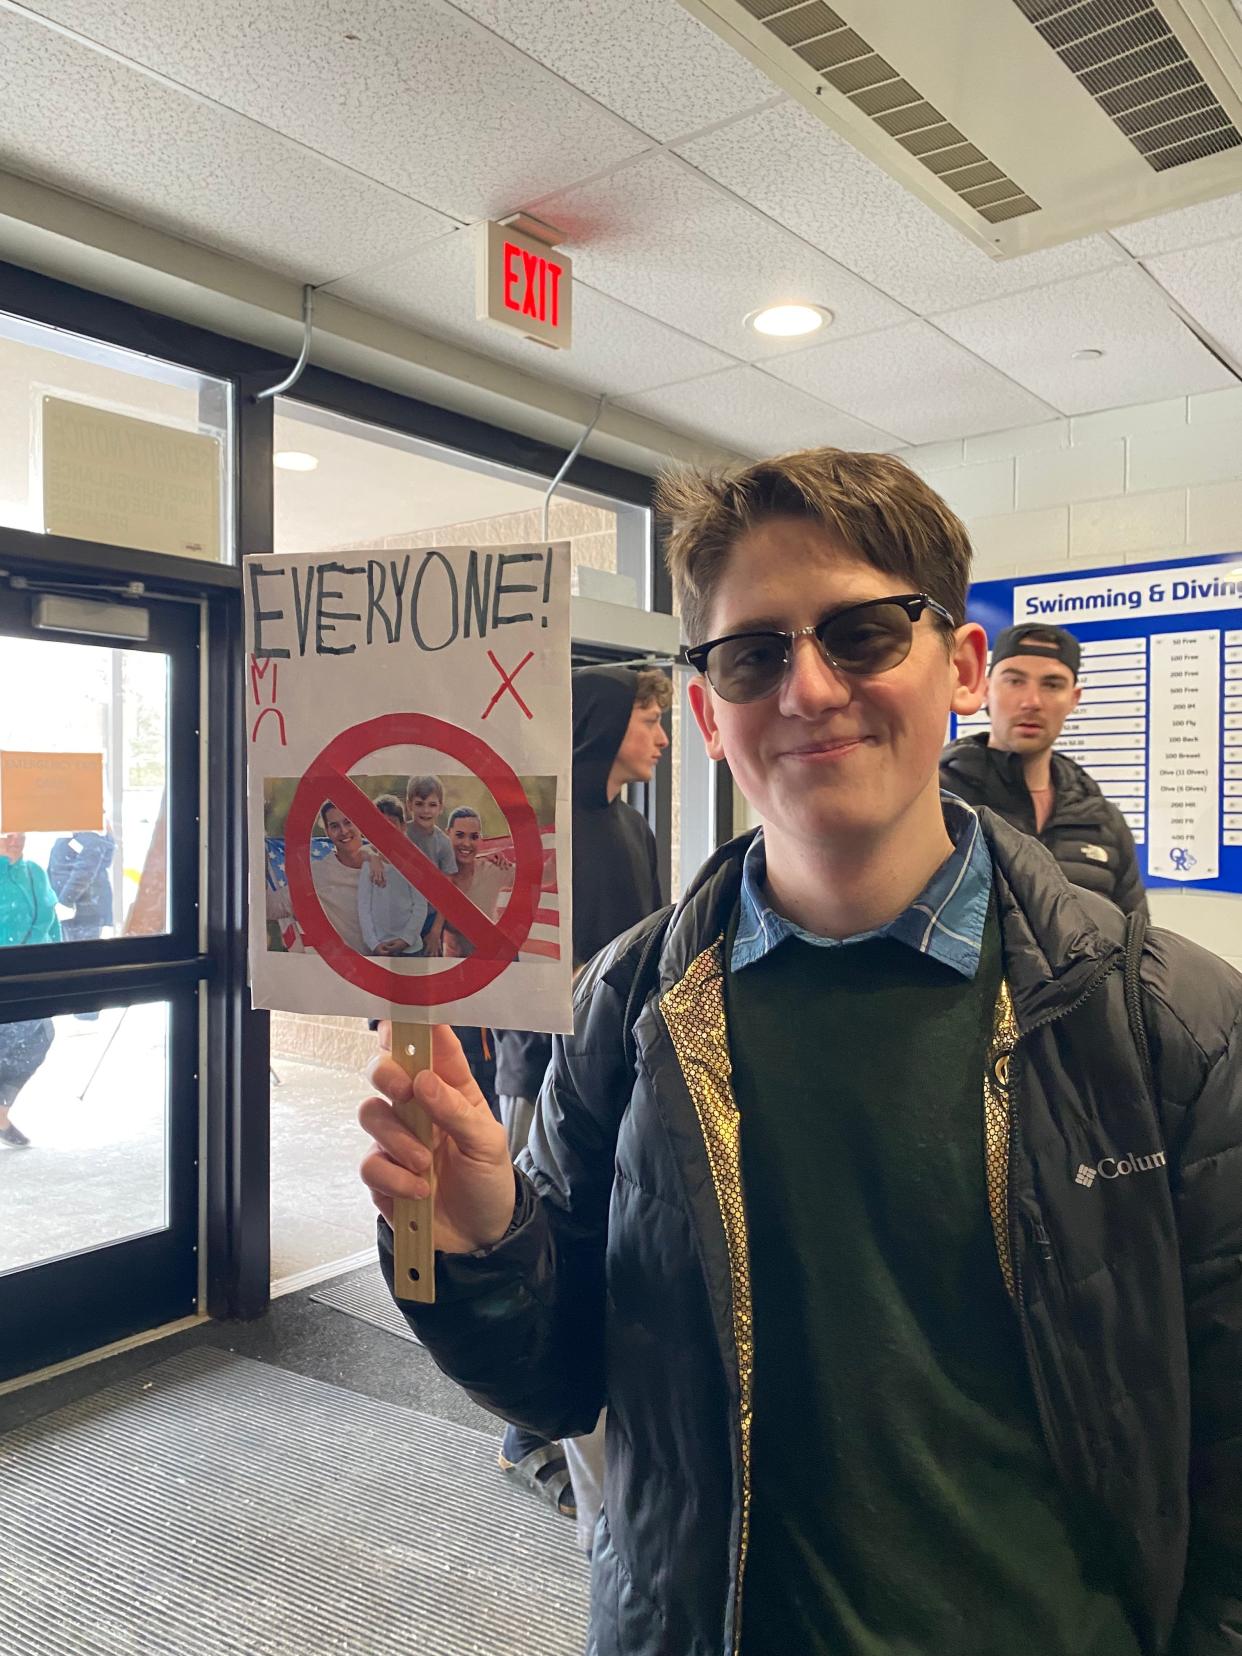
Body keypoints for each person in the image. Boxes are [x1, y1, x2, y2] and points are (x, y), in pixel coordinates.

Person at [359, 448, 1240, 1656]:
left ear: (963, 666)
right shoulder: (630, 1009)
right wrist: (479, 1243)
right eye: (754, 653)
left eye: (865, 634)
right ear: (711, 712)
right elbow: (559, 1385)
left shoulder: (1167, 1032)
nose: (809, 689)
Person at [489, 665, 671, 1546]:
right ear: (604, 725)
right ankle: (527, 1434)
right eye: (648, 720)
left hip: (620, 1072)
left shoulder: (632, 826)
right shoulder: (540, 827)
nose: (662, 738)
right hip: (538, 1069)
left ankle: (578, 1407)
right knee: (536, 1237)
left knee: (604, 1240)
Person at [940, 622, 1147, 915]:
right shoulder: (935, 798)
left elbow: (1136, 944)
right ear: (985, 689)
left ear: (1074, 699)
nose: (1032, 702)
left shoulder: (1103, 822)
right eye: (1014, 681)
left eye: (1052, 684)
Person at [0, 831, 62, 1147]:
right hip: (6, 977)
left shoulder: (35, 871)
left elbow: (52, 923)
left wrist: (63, 961)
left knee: (38, 1038)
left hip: (34, 974)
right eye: (5, 832)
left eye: (20, 830)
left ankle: (0, 1111)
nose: (15, 838)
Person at [356, 794, 429, 957]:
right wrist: (373, 943)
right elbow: (364, 907)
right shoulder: (369, 865)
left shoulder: (413, 864)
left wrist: (406, 939)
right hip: (380, 947)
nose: (385, 833)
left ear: (403, 826)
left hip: (411, 949)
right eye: (379, 828)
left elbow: (420, 905)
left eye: (392, 826)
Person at [405, 775, 457, 956]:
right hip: (400, 916)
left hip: (430, 919)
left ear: (441, 808)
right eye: (419, 804)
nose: (425, 810)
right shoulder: (401, 834)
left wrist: (435, 931)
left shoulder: (443, 843)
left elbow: (447, 891)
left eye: (432, 805)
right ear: (409, 804)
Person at [307, 801, 369, 954]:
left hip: (396, 965)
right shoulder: (319, 872)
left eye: (348, 822)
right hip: (349, 970)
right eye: (335, 826)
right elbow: (275, 905)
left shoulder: (386, 862)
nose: (343, 831)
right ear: (327, 832)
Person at [446, 807, 513, 935]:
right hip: (452, 955)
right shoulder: (434, 873)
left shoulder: (493, 868)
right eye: (460, 835)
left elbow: (543, 875)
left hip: (492, 951)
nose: (466, 843)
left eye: (474, 837)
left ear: (480, 839)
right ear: (447, 834)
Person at [48, 822, 116, 942]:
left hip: (83, 913)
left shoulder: (91, 838)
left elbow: (84, 872)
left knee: (79, 955)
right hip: (69, 912)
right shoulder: (70, 837)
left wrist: (65, 902)